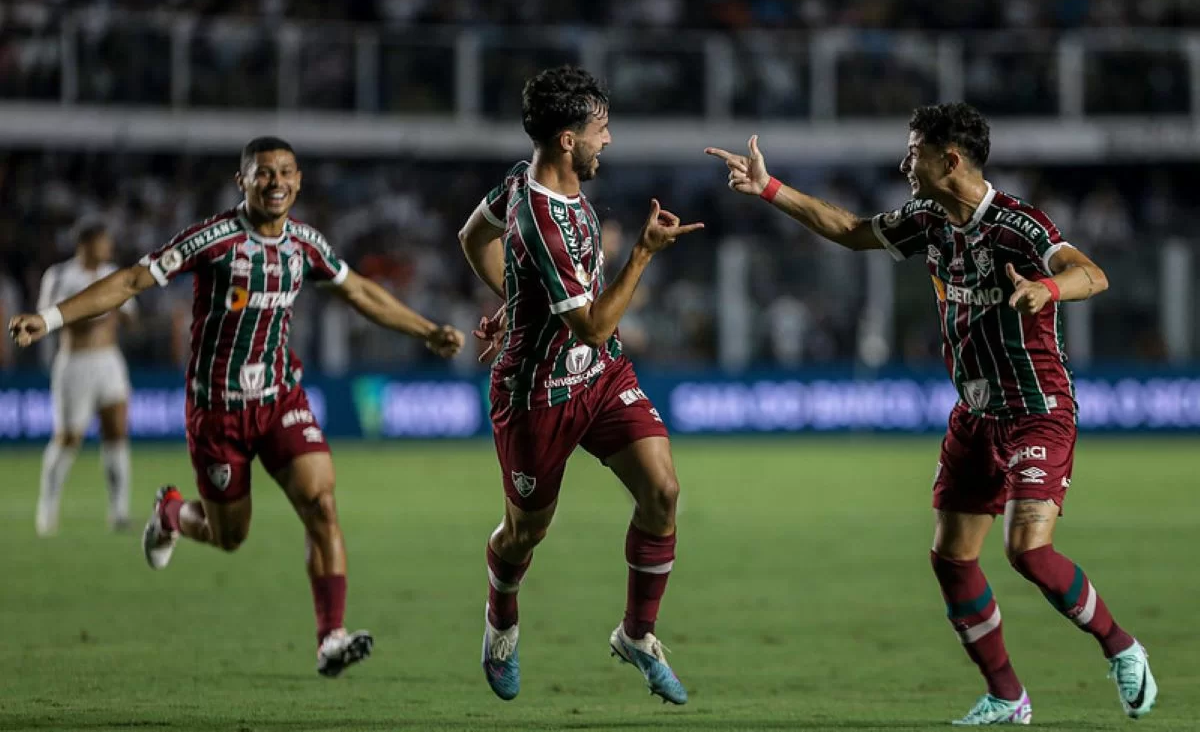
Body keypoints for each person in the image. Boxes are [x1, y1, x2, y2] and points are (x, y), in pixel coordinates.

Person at [706, 103, 1156, 725]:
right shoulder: (926, 219)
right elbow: (850, 230)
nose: (902, 162)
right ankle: (1007, 695)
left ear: (949, 160)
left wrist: (1044, 289)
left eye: (912, 150)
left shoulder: (1020, 227)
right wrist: (769, 188)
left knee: (1026, 549)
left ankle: (1122, 647)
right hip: (975, 416)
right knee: (951, 557)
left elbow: (1092, 274)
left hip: (1036, 410)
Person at [9, 137, 465, 677]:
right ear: (242, 182)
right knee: (230, 536)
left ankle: (331, 637)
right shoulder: (214, 239)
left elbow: (360, 292)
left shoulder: (306, 245)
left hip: (279, 399)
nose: (277, 183)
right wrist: (52, 318)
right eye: (264, 173)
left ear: (299, 180)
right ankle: (171, 513)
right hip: (218, 411)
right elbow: (133, 280)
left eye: (287, 173)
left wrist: (426, 331)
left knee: (321, 503)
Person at [458, 65, 701, 704]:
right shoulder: (537, 209)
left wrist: (514, 300)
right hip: (537, 394)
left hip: (599, 375)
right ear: (568, 139)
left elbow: (471, 236)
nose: (609, 141)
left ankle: (637, 635)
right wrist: (643, 253)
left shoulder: (524, 180)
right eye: (602, 130)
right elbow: (593, 324)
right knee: (524, 533)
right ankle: (501, 617)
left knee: (663, 490)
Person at [33, 221, 137, 536]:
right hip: (75, 364)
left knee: (116, 432)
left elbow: (132, 315)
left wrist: (122, 312)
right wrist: (88, 314)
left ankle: (119, 513)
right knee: (68, 438)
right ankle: (47, 510)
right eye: (103, 242)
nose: (108, 248)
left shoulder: (114, 273)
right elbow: (46, 318)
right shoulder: (60, 275)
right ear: (86, 244)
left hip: (109, 361)